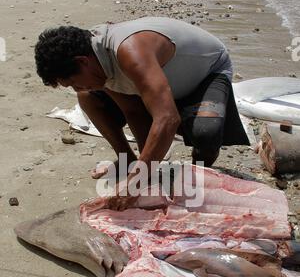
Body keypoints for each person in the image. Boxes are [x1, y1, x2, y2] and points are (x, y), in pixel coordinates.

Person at [35, 16, 249, 209]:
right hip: (158, 86)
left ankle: (196, 175)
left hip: (204, 75)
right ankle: (126, 159)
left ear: (82, 61)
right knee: (88, 98)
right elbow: (133, 110)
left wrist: (136, 181)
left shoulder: (130, 52)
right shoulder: (97, 63)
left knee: (205, 133)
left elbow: (167, 118)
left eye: (73, 82)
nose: (76, 88)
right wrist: (143, 172)